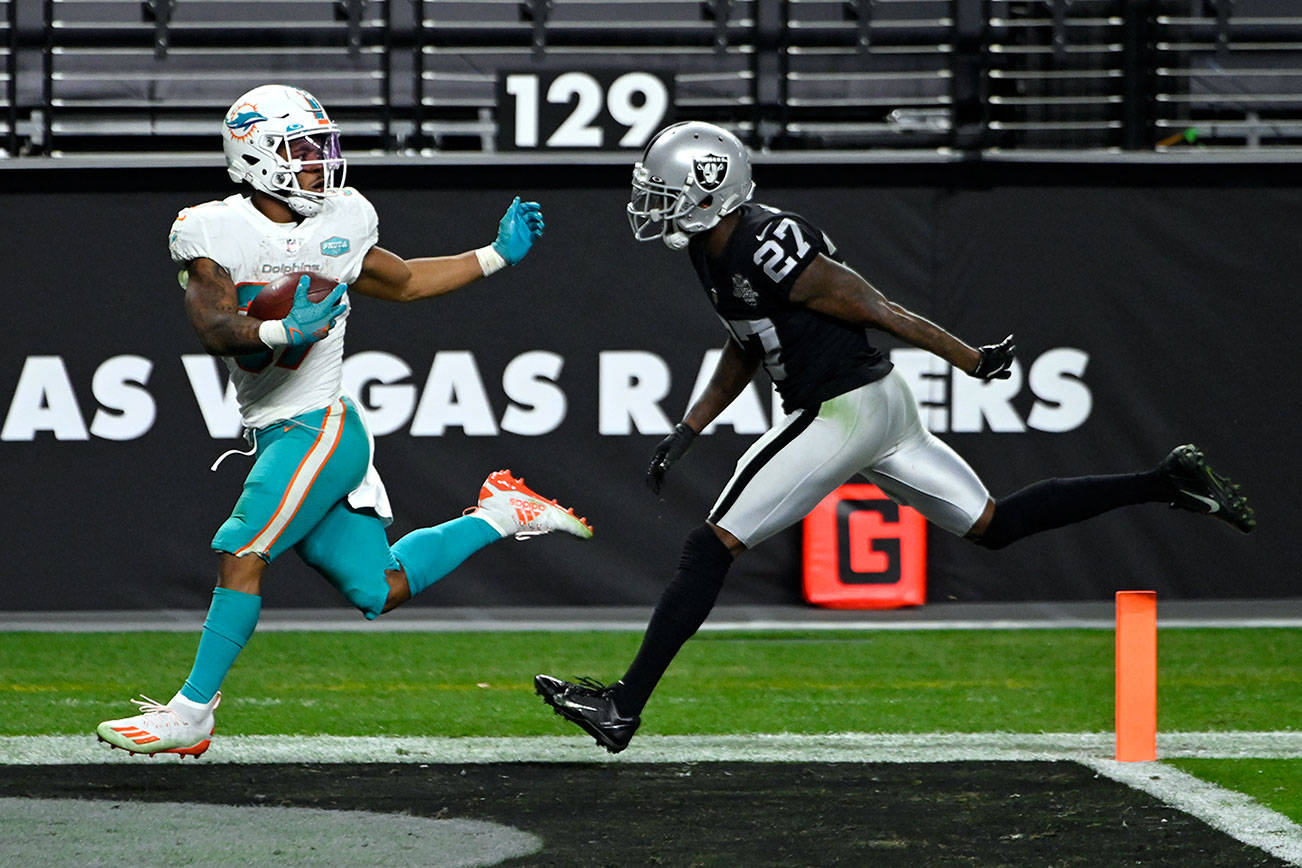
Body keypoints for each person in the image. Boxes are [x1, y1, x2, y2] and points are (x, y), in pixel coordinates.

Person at [534, 120, 1255, 754]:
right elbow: (746, 343)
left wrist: (969, 358)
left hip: (842, 410)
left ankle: (622, 708)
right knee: (994, 525)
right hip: (878, 409)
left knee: (709, 545)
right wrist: (690, 427)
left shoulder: (766, 244)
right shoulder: (710, 249)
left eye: (665, 191)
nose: (652, 204)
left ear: (711, 190)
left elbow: (878, 307)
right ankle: (1167, 482)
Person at [96, 85, 593, 758]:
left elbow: (407, 280)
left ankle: (192, 712)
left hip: (320, 426)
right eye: (300, 150)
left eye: (320, 147)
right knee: (378, 587)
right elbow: (213, 324)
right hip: (275, 426)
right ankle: (502, 513)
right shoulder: (213, 229)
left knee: (242, 550)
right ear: (254, 155)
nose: (318, 163)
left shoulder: (345, 217)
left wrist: (495, 255)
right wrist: (274, 328)